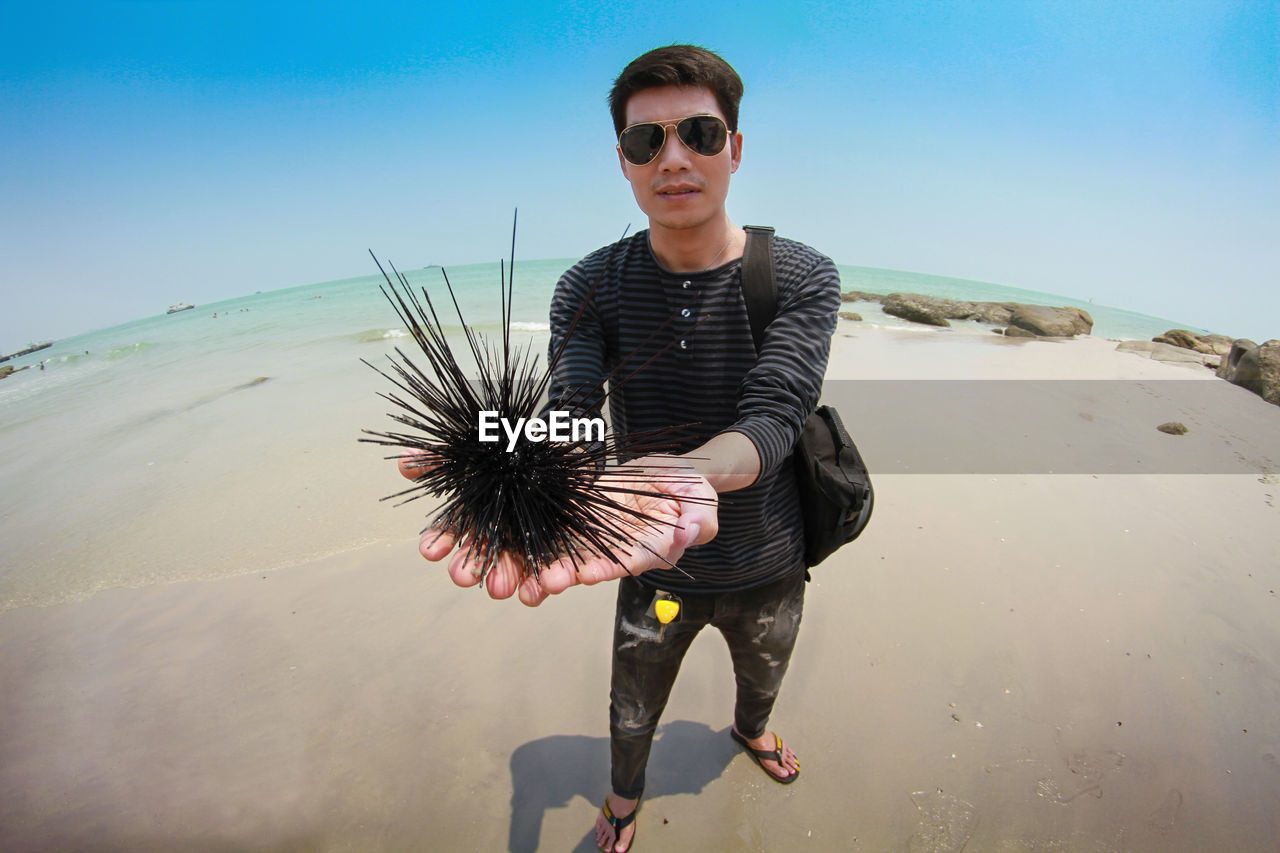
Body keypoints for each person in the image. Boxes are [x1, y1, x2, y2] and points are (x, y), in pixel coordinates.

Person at [402, 45, 839, 853]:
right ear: (624, 163)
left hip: (770, 562)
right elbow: (573, 410)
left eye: (700, 134)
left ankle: (752, 733)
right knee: (632, 705)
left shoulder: (802, 276)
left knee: (762, 676)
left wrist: (690, 472)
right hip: (651, 566)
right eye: (647, 142)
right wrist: (510, 443)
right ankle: (622, 803)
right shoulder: (589, 285)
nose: (673, 158)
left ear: (736, 148)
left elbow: (775, 413)